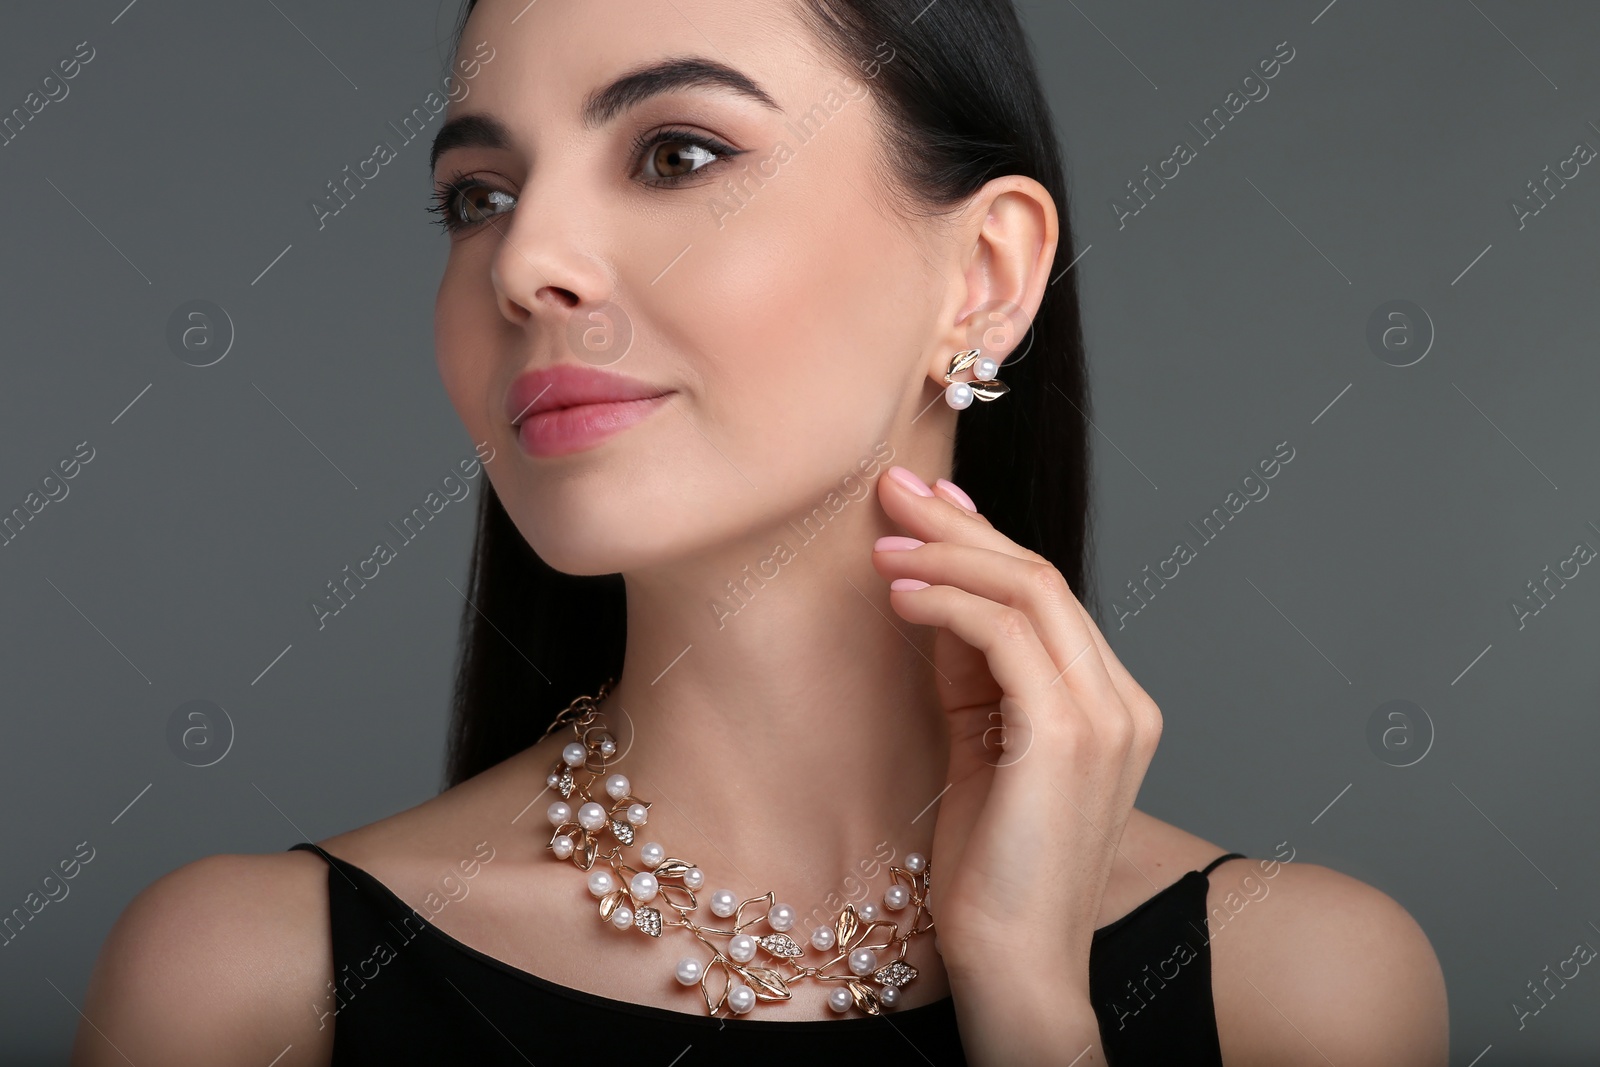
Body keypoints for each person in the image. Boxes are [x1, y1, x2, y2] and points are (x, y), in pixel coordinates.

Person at [73, 0, 1448, 1063]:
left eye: (676, 153)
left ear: (983, 277)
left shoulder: (1304, 988)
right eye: (477, 196)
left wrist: (1032, 1005)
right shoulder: (245, 981)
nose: (526, 258)